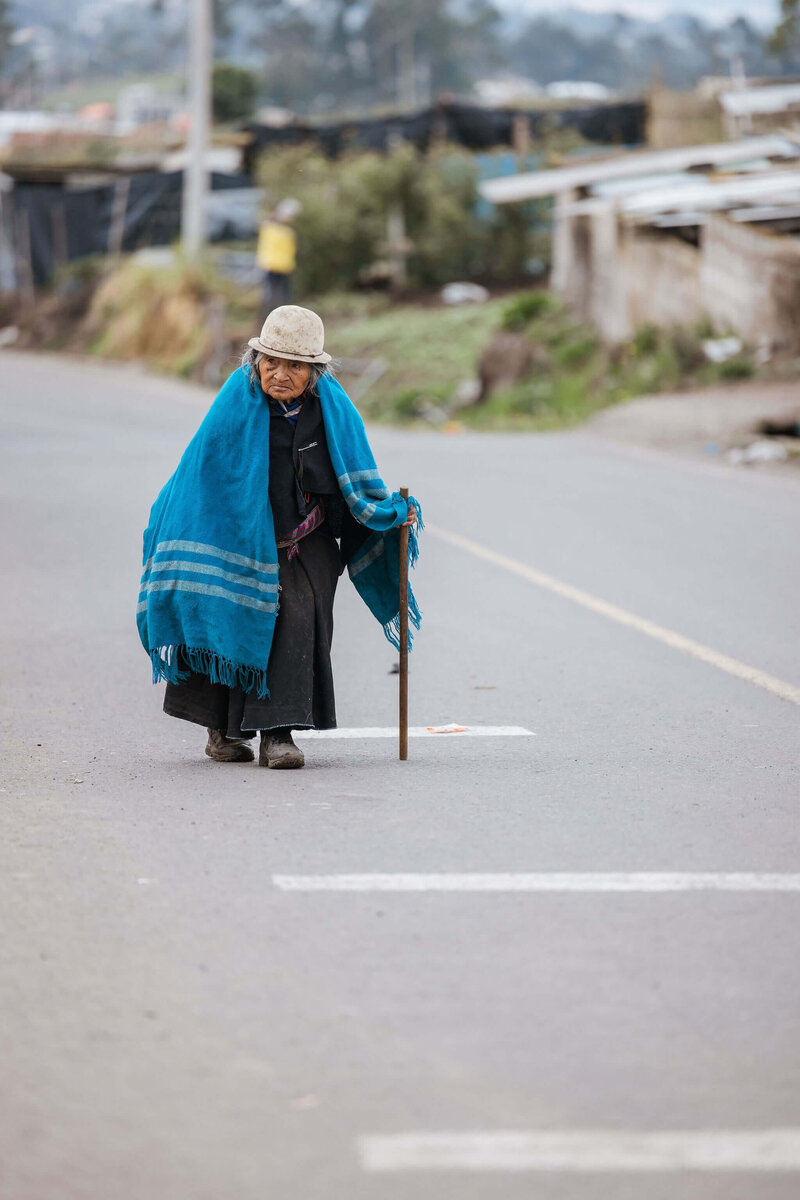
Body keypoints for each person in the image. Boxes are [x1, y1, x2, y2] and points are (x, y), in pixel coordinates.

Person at [137, 305, 421, 770]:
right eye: (271, 362)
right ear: (256, 361)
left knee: (299, 618)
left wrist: (387, 511)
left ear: (315, 372)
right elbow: (205, 475)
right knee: (224, 608)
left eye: (295, 366)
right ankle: (222, 731)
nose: (280, 374)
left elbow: (356, 476)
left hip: (303, 537)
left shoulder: (333, 409)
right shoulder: (237, 399)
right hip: (231, 535)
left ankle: (278, 735)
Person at [256, 198, 300, 314]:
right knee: (270, 297)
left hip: (284, 267)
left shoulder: (289, 232)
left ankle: (284, 319)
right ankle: (266, 321)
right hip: (271, 266)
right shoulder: (270, 228)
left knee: (284, 298)